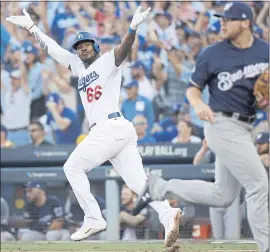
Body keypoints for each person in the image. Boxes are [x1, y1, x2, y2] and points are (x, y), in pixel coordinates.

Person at [6, 7, 182, 247]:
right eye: (79, 47)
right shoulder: (78, 67)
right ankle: (168, 215)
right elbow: (54, 50)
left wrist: (132, 27)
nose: (83, 48)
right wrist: (32, 28)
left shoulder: (108, 60)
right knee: (139, 183)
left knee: (72, 168)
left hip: (110, 127)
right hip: (117, 130)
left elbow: (124, 48)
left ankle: (93, 217)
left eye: (87, 44)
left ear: (96, 47)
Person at [132, 3, 269, 252]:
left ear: (246, 23)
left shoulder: (264, 52)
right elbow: (193, 88)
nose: (222, 23)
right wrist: (196, 104)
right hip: (221, 124)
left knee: (223, 195)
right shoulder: (212, 54)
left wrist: (264, 101)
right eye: (221, 19)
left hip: (246, 126)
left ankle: (158, 187)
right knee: (258, 183)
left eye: (228, 19)